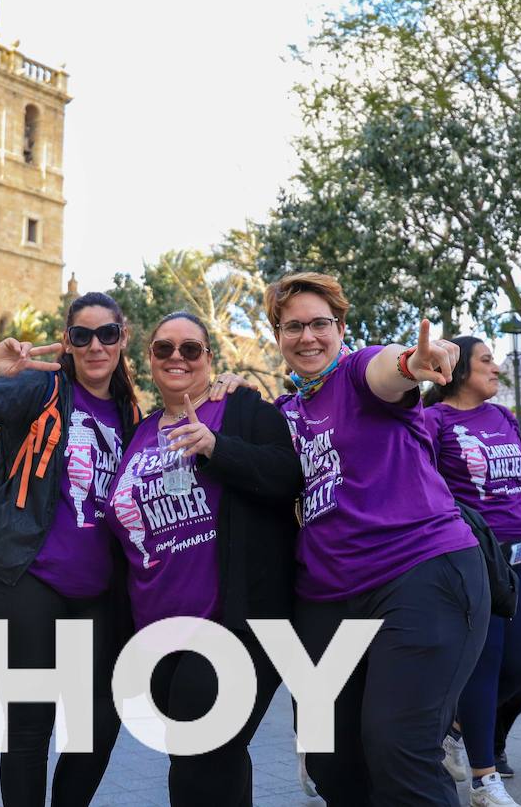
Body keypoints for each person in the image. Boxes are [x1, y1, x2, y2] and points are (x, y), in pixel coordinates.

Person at [264, 272, 488, 807]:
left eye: (320, 323)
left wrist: (413, 363)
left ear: (341, 328)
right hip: (329, 597)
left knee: (398, 750)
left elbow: (390, 370)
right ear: (278, 336)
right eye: (293, 327)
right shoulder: (286, 412)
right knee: (329, 758)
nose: (307, 337)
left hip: (417, 574)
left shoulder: (357, 373)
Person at [0, 291, 147, 807]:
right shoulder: (39, 387)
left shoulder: (131, 413)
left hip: (97, 593)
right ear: (67, 342)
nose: (95, 346)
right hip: (25, 578)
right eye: (82, 335)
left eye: (107, 334)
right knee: (30, 723)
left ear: (123, 338)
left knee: (98, 723)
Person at [100, 310, 302, 806]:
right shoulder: (138, 433)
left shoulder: (242, 410)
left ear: (209, 358)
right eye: (164, 348)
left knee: (200, 756)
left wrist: (217, 447)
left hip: (232, 623)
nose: (177, 357)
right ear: (149, 359)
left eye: (190, 349)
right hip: (157, 632)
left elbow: (287, 476)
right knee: (203, 759)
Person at [423, 337, 521, 806]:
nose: (496, 369)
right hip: (475, 557)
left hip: (520, 557)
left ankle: (454, 727)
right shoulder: (434, 421)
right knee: (486, 665)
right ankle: (483, 779)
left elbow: (520, 487)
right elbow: (426, 488)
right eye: (487, 361)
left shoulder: (504, 417)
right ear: (459, 371)